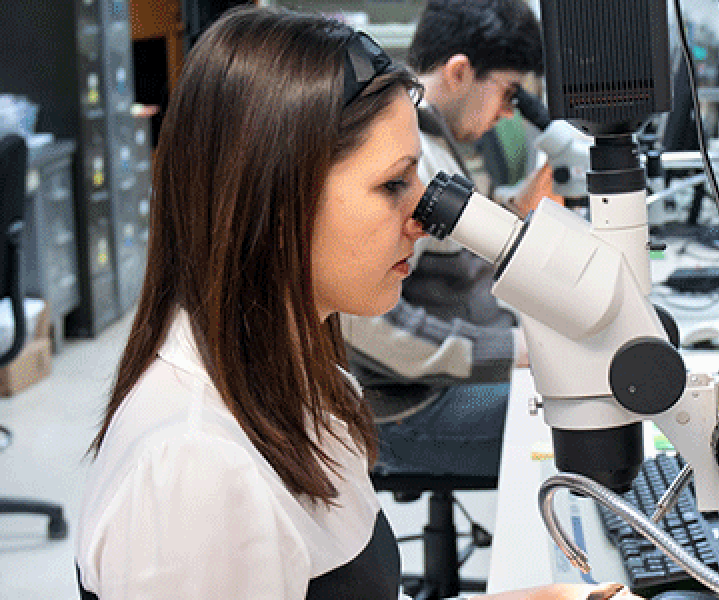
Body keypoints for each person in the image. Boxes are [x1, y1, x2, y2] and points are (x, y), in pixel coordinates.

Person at [73, 7, 639, 600]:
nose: (424, 220)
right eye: (394, 184)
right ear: (276, 196)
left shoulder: (303, 380)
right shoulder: (194, 474)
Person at [341, 0, 552, 484]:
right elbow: (371, 325)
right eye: (508, 92)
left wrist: (515, 208)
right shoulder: (410, 159)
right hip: (406, 406)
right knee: (575, 417)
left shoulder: (432, 146)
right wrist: (513, 349)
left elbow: (451, 249)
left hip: (432, 380)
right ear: (459, 71)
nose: (507, 113)